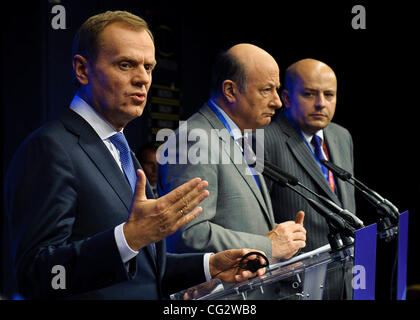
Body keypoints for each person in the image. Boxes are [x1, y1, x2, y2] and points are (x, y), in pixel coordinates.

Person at [3, 11, 267, 300]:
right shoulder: (49, 148)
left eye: (149, 67)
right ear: (82, 69)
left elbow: (144, 271)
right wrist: (131, 237)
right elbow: (36, 275)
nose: (142, 79)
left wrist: (209, 266)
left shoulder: (120, 148)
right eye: (125, 64)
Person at [158, 44, 307, 260]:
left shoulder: (242, 136)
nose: (277, 102)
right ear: (230, 91)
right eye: (266, 90)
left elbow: (238, 221)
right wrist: (268, 245)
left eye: (276, 89)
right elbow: (188, 235)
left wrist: (282, 240)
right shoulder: (193, 139)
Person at [263, 58, 356, 299]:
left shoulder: (341, 136)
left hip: (347, 280)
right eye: (309, 94)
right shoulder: (264, 140)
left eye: (329, 95)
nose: (320, 104)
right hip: (296, 287)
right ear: (286, 98)